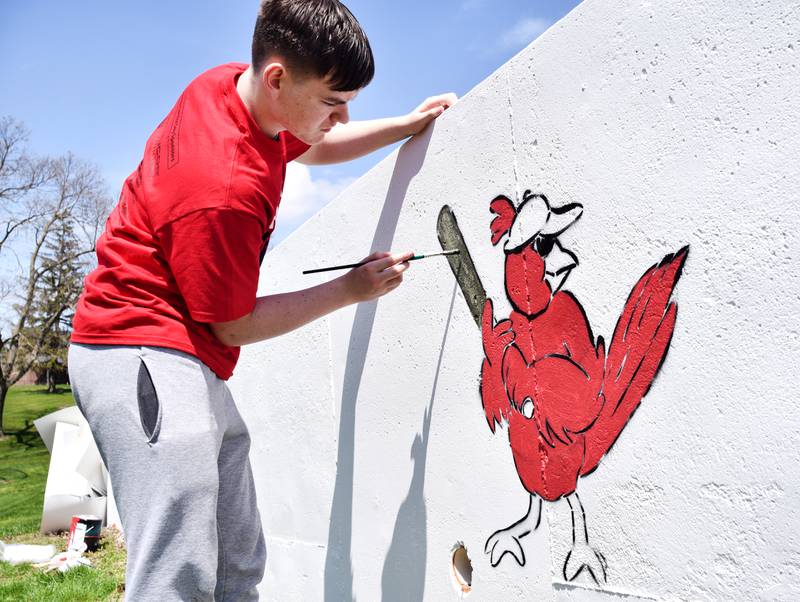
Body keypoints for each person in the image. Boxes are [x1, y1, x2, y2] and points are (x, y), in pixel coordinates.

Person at [67, 0, 456, 599]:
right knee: (178, 574)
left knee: (237, 562)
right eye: (333, 101)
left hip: (181, 353)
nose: (344, 114)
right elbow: (233, 325)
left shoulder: (229, 86)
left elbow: (312, 142)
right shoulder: (222, 186)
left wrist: (404, 126)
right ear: (278, 77)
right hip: (139, 350)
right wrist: (350, 289)